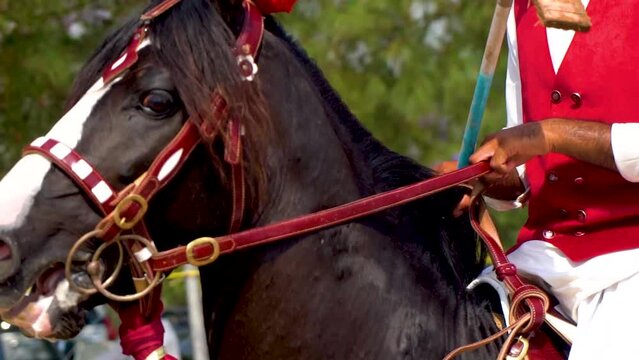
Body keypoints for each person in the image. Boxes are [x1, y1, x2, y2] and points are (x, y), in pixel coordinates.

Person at [449, 1, 639, 359]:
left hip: (631, 259)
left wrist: (550, 135)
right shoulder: (518, 8)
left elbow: (539, 135)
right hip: (546, 254)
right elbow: (527, 158)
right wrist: (480, 175)